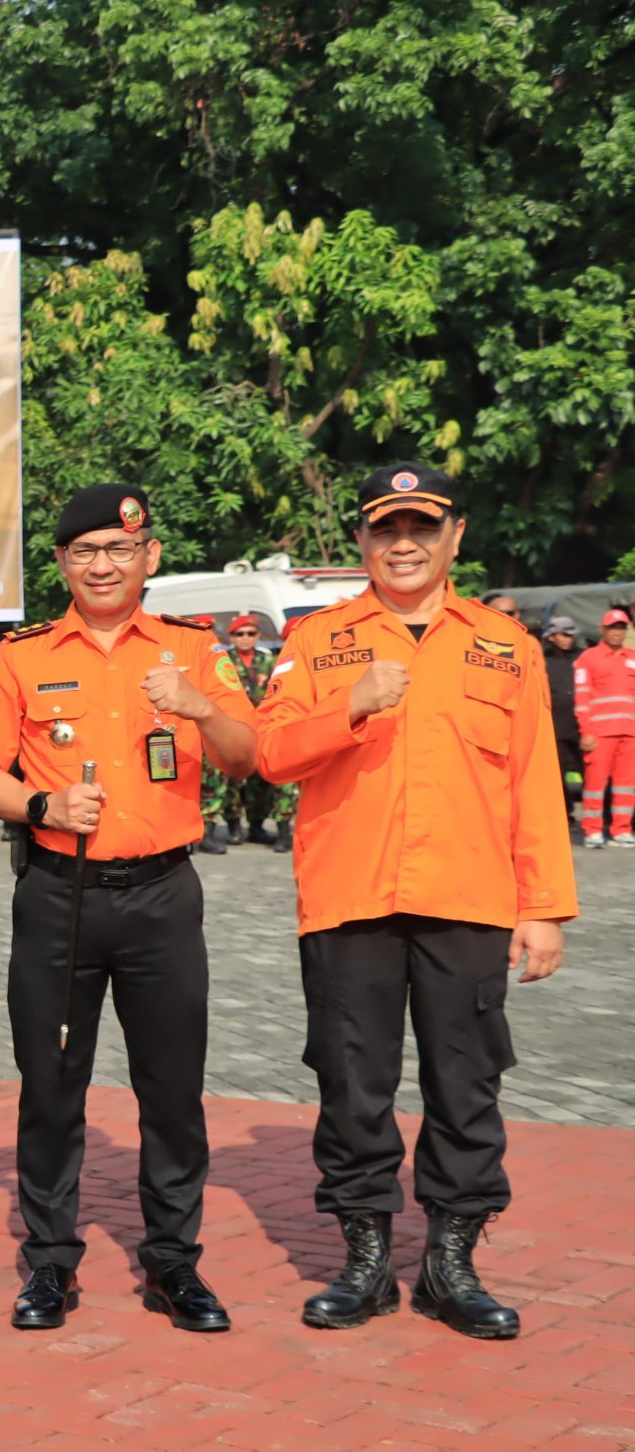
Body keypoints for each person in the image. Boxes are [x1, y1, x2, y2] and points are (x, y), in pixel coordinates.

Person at [260, 461, 573, 1339]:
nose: (404, 545)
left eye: (422, 529)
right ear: (361, 539)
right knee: (352, 1084)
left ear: (454, 537)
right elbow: (270, 753)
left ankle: (451, 1264)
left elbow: (535, 782)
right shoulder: (319, 640)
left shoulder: (502, 645)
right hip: (348, 898)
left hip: (469, 899)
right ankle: (365, 1262)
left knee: (466, 1086)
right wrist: (349, 708)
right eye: (386, 529)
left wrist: (542, 905)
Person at [0, 484, 262, 1332]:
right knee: (50, 1086)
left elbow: (249, 758)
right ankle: (50, 1263)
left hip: (164, 895)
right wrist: (39, 808)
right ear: (61, 562)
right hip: (60, 896)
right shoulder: (20, 655)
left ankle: (174, 1263)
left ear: (149, 557)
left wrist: (199, 706)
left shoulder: (194, 652)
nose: (103, 565)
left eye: (120, 550)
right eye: (85, 551)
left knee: (172, 1090)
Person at [198, 615, 297, 852]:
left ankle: (259, 826)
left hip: (264, 728)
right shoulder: (222, 659)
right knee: (221, 781)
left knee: (264, 783)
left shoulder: (269, 660)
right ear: (231, 637)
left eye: (250, 634)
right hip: (229, 728)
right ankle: (219, 829)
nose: (245, 639)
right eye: (240, 634)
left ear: (258, 636)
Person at [572, 607, 635, 847]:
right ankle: (593, 830)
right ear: (602, 630)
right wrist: (586, 731)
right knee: (595, 785)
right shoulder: (588, 659)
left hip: (630, 732)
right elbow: (582, 697)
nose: (617, 633)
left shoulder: (632, 657)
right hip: (599, 734)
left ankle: (621, 830)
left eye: (621, 628)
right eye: (612, 628)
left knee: (627, 785)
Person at [543, 614, 582, 820]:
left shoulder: (582, 657)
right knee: (557, 773)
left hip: (583, 726)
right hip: (556, 725)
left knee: (594, 772)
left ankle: (606, 812)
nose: (569, 639)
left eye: (571, 635)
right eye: (564, 635)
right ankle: (565, 814)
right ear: (551, 636)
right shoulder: (543, 660)